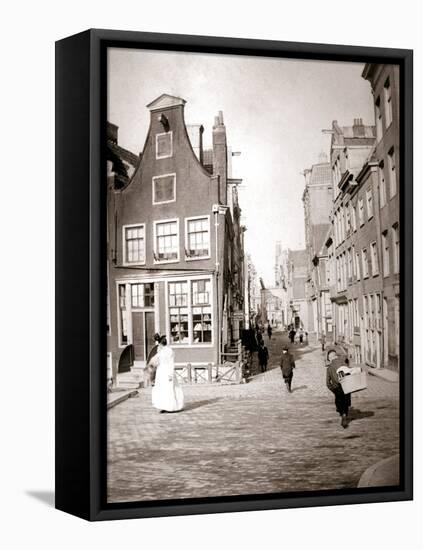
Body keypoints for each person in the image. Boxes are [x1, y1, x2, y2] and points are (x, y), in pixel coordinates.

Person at [150, 335, 184, 413]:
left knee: (168, 388)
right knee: (164, 388)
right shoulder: (163, 351)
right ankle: (164, 406)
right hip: (162, 371)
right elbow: (156, 361)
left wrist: (170, 374)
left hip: (165, 371)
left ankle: (171, 406)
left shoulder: (168, 351)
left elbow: (170, 363)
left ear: (160, 344)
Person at [326, 348, 351, 428]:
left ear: (330, 358)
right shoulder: (344, 363)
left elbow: (327, 383)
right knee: (346, 403)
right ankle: (345, 415)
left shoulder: (329, 368)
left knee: (339, 403)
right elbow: (350, 373)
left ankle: (343, 415)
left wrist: (334, 390)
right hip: (347, 386)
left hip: (337, 389)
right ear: (336, 356)